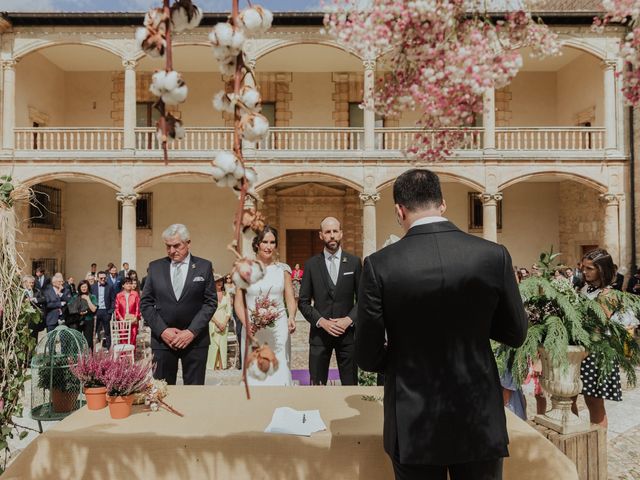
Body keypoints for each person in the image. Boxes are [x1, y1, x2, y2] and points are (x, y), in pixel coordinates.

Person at [356, 169, 527, 480]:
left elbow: (366, 355)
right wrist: (474, 327)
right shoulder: (493, 255)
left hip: (413, 418)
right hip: (478, 417)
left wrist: (397, 359)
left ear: (399, 211)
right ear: (443, 204)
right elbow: (516, 334)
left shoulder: (380, 265)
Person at [140, 224, 217, 385]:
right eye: (168, 246)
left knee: (194, 393)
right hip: (163, 342)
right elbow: (146, 303)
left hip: (195, 341)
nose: (172, 250)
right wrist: (163, 330)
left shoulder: (204, 267)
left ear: (188, 243)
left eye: (177, 246)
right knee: (162, 392)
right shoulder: (155, 268)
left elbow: (210, 303)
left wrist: (191, 331)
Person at [298, 217, 362, 386]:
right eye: (327, 232)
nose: (332, 235)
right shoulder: (311, 265)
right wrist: (322, 322)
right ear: (321, 235)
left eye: (335, 231)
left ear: (341, 233)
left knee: (350, 385)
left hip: (348, 336)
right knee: (317, 386)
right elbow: (303, 302)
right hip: (320, 337)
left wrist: (348, 320)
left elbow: (363, 299)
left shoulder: (354, 263)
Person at [235, 226, 297, 386]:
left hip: (278, 327)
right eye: (265, 242)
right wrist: (246, 323)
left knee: (280, 366)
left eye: (272, 242)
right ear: (257, 244)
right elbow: (238, 303)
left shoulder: (283, 270)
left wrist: (291, 316)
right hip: (252, 328)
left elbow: (290, 298)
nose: (269, 246)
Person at [571, 249, 623, 427]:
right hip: (576, 349)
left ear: (602, 269)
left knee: (594, 403)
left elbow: (598, 327)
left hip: (596, 352)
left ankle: (597, 448)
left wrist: (584, 350)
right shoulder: (581, 288)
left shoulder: (608, 295)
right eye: (583, 267)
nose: (584, 272)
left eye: (589, 268)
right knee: (568, 398)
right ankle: (573, 440)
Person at [207, 274, 232, 370]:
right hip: (212, 322)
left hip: (224, 322)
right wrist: (217, 323)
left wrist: (224, 323)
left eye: (221, 280)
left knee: (223, 344)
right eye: (217, 281)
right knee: (213, 345)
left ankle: (222, 366)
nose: (219, 283)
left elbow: (229, 311)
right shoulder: (210, 295)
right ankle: (211, 366)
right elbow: (208, 311)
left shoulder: (227, 295)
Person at [91, 271, 116, 349]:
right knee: (94, 331)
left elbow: (113, 300)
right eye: (101, 278)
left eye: (104, 278)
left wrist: (110, 312)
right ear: (97, 278)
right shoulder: (93, 287)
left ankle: (109, 349)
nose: (103, 279)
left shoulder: (110, 286)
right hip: (96, 311)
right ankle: (92, 349)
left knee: (107, 332)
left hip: (106, 311)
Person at [115, 277, 141, 349]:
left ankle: (131, 356)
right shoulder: (119, 295)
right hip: (122, 321)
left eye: (130, 283)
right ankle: (124, 358)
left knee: (133, 337)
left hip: (133, 320)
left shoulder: (135, 294)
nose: (129, 285)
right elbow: (117, 309)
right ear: (123, 285)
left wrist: (135, 318)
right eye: (127, 283)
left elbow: (138, 308)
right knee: (123, 338)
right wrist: (121, 319)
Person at [74, 280, 97, 350]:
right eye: (82, 287)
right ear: (79, 288)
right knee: (77, 340)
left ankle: (89, 358)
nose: (84, 288)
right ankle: (78, 357)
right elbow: (71, 308)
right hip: (78, 321)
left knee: (89, 340)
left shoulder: (92, 296)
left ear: (88, 287)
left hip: (88, 320)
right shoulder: (75, 297)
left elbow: (93, 309)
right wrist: (79, 312)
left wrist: (87, 299)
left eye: (85, 287)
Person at [22, 275, 45, 340]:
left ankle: (33, 350)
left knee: (34, 337)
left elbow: (44, 299)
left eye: (33, 283)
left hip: (34, 319)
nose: (32, 284)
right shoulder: (21, 291)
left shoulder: (37, 291)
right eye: (30, 282)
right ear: (25, 282)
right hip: (24, 319)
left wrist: (35, 299)